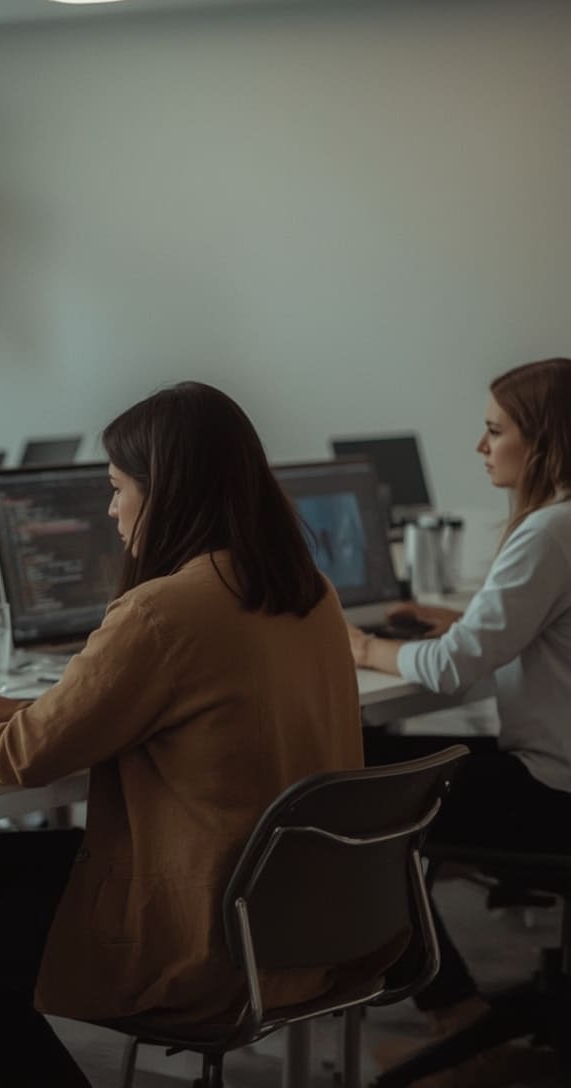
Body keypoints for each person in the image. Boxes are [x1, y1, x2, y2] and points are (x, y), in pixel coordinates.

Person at [0, 382, 362, 1086]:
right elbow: (177, 715)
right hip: (291, 914)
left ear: (170, 492)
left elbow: (22, 757)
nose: (111, 508)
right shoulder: (306, 589)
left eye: (119, 488)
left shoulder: (166, 610)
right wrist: (14, 706)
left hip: (201, 930)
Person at [349, 357, 571, 1083]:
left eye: (494, 430)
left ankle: (454, 1010)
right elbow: (527, 632)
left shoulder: (550, 532)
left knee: (340, 799)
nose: (481, 447)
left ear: (543, 442)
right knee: (368, 761)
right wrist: (459, 621)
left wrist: (361, 645)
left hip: (553, 797)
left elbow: (451, 670)